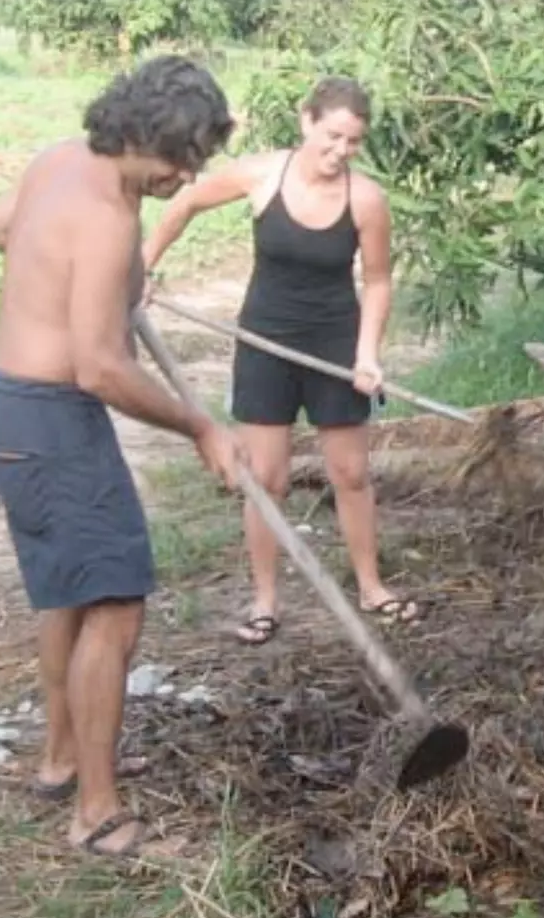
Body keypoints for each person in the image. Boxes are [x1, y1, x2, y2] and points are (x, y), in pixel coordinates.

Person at [0, 55, 246, 861]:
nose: (183, 177)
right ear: (136, 133)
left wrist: (112, 282)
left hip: (12, 411)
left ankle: (63, 758)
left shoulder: (60, 160)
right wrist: (201, 425)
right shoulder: (105, 217)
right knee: (116, 603)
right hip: (54, 420)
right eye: (176, 158)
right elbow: (101, 367)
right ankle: (96, 813)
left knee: (70, 595)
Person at [141, 74, 419, 644]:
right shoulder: (264, 175)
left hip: (335, 346)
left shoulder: (366, 199)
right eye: (333, 136)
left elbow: (380, 280)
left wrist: (367, 354)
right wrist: (142, 264)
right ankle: (265, 600)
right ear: (306, 121)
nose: (341, 151)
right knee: (265, 479)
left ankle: (370, 586)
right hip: (265, 343)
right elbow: (188, 199)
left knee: (351, 472)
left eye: (353, 142)